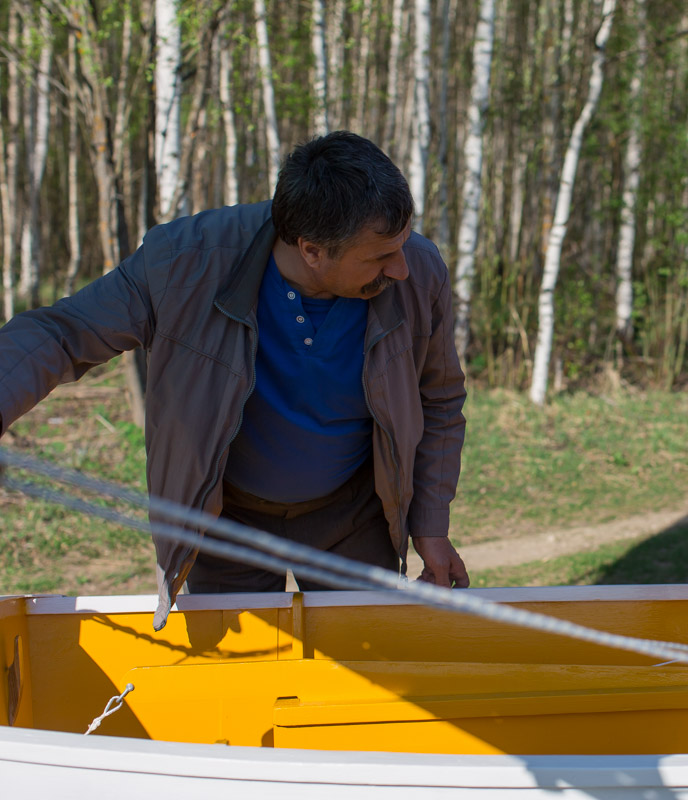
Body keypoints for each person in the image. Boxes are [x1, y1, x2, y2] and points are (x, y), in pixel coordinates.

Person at [0, 131, 469, 630]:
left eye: (402, 245)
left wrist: (430, 526)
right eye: (379, 257)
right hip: (227, 520)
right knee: (236, 666)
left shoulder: (420, 272)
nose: (401, 268)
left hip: (354, 516)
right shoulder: (183, 261)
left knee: (362, 656)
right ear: (312, 250)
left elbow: (439, 399)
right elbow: (63, 332)